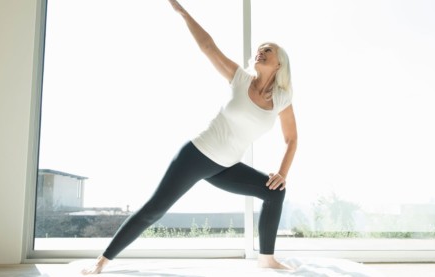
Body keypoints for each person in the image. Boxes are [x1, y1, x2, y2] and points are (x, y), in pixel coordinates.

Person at [81, 0, 298, 274]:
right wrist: (182, 12)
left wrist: (282, 173)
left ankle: (266, 258)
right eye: (258, 50)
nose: (260, 53)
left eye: (267, 50)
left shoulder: (282, 99)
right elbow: (209, 46)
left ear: (280, 63)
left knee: (275, 192)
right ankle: (102, 261)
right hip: (197, 155)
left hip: (226, 166)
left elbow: (292, 139)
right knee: (154, 210)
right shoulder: (241, 80)